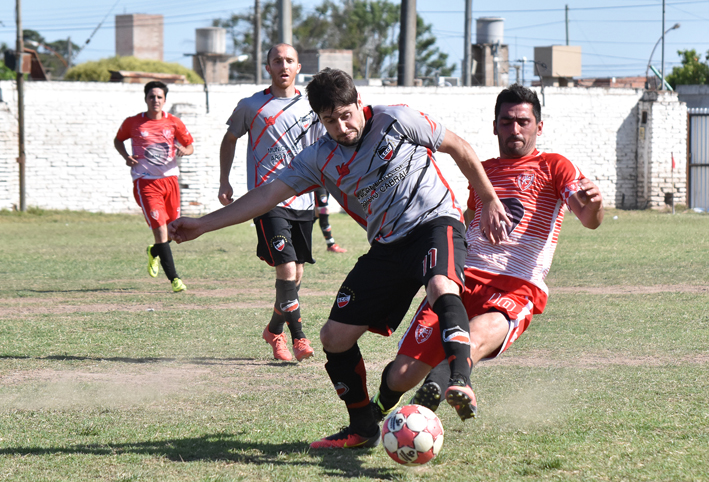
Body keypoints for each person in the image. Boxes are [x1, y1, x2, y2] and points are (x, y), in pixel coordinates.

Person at [168, 68, 510, 449]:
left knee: (440, 285)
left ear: (359, 105)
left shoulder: (397, 119)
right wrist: (202, 224)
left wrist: (490, 199)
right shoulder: (319, 158)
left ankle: (461, 379)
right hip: (387, 245)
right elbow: (265, 196)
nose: (341, 126)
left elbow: (459, 147)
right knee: (334, 337)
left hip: (435, 222)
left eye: (346, 115)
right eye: (330, 120)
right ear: (320, 119)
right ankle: (362, 426)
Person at [370, 83, 604, 422]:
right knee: (401, 374)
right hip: (461, 279)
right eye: (507, 122)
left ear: (539, 126)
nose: (515, 129)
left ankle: (441, 388)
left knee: (476, 336)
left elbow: (588, 218)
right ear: (495, 126)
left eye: (523, 121)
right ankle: (373, 413)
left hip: (517, 285)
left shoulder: (555, 166)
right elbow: (467, 220)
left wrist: (595, 204)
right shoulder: (483, 171)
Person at [218, 44, 322, 363]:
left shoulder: (312, 106)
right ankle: (299, 338)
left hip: (304, 199)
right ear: (268, 67)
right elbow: (230, 138)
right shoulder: (252, 105)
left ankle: (274, 329)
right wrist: (225, 180)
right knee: (287, 269)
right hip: (266, 200)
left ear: (298, 67)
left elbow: (324, 145)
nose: (283, 65)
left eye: (289, 60)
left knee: (296, 277)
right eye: (277, 61)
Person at [114, 80, 194, 293]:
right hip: (146, 181)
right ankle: (175, 280)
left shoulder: (174, 123)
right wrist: (126, 156)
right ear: (146, 98)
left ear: (164, 100)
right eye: (152, 96)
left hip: (170, 181)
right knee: (160, 232)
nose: (155, 100)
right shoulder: (133, 123)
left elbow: (190, 146)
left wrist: (185, 151)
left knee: (170, 232)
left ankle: (155, 252)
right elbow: (118, 140)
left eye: (159, 97)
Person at [314, 187, 347, 253]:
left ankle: (297, 235)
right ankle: (331, 244)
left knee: (317, 214)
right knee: (323, 210)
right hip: (317, 183)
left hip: (325, 183)